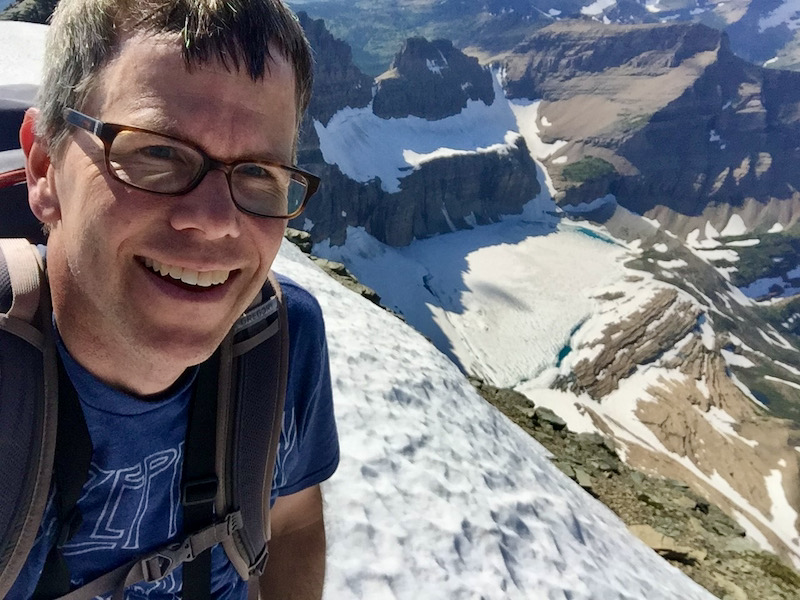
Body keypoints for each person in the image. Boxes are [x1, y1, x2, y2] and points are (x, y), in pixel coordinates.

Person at [4, 0, 339, 597]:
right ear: (44, 168)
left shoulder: (282, 340)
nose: (215, 221)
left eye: (260, 172)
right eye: (157, 151)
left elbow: (291, 518)